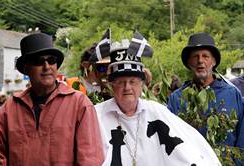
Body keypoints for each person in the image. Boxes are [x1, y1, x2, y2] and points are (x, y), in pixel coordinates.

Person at [92, 30, 221, 166]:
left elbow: (189, 150)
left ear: (142, 84)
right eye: (121, 82)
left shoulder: (157, 111)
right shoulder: (95, 115)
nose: (127, 87)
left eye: (133, 82)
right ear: (112, 85)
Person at [0, 33, 104, 166]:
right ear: (26, 68)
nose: (47, 66)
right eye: (39, 61)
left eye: (51, 60)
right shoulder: (10, 108)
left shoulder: (79, 104)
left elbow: (90, 159)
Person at [167, 32, 244, 158]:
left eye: (205, 56)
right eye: (195, 57)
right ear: (189, 63)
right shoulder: (177, 98)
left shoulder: (232, 93)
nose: (200, 61)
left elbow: (241, 136)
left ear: (213, 61)